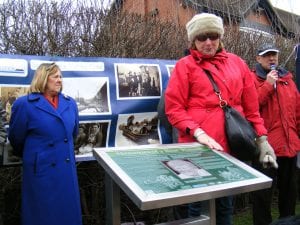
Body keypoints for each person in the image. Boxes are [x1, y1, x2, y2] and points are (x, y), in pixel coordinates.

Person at [164, 13, 277, 225]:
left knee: (225, 205)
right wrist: (198, 132)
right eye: (202, 37)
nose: (208, 42)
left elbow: (252, 110)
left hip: (230, 148)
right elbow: (174, 109)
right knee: (195, 208)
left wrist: (262, 140)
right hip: (196, 151)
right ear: (193, 41)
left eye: (213, 35)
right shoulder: (184, 66)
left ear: (220, 36)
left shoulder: (237, 63)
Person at [8, 63, 82, 225]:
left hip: (65, 169)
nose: (59, 80)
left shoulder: (70, 104)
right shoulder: (25, 105)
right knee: (42, 215)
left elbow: (73, 133)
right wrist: (37, 156)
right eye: (55, 76)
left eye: (61, 77)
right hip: (40, 171)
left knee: (67, 214)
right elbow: (16, 139)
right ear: (43, 78)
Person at [251, 43, 300, 225]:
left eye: (274, 55)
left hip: (289, 146)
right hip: (266, 148)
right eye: (267, 55)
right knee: (263, 195)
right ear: (258, 58)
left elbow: (297, 112)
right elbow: (251, 107)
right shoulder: (252, 79)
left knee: (289, 193)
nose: (272, 58)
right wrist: (267, 85)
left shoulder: (288, 80)